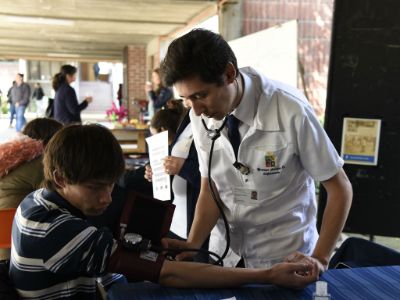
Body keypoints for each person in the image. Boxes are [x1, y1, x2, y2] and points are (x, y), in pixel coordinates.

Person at [10, 124, 318, 299]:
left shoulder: (37, 201)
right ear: (62, 178)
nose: (106, 198)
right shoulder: (59, 229)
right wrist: (268, 274)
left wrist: (155, 246)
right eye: (94, 188)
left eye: (110, 186)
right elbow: (170, 273)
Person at [160, 29, 353, 272]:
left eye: (201, 95)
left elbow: (339, 188)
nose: (196, 111)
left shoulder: (290, 110)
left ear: (229, 74)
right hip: (226, 257)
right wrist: (192, 245)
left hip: (284, 259)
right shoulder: (200, 116)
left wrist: (321, 258)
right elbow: (211, 189)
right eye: (187, 99)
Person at [0, 118, 62, 260]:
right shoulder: (40, 164)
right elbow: (59, 198)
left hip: (4, 244)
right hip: (18, 249)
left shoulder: (11, 158)